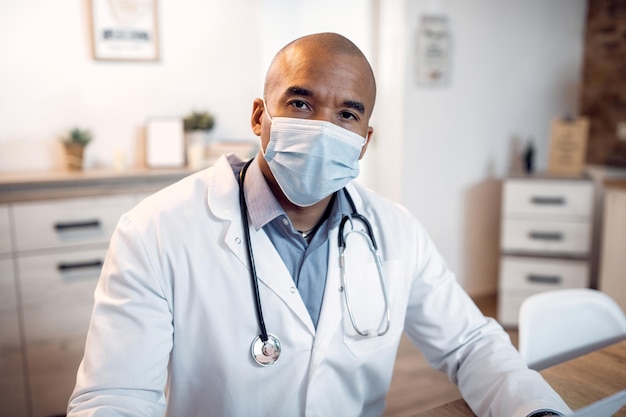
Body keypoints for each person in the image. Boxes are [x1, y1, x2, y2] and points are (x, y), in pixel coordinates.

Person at [67, 32, 571, 417]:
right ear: (259, 116)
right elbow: (116, 396)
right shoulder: (155, 230)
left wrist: (536, 411)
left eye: (347, 114)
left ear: (365, 140)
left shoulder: (395, 231)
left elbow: (470, 345)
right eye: (301, 103)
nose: (324, 128)